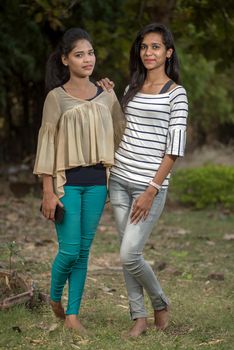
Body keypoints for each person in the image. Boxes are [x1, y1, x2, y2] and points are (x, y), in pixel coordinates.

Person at [33, 27, 125, 333]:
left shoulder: (107, 94)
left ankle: (72, 315)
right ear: (64, 60)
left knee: (85, 253)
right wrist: (48, 191)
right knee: (69, 251)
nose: (88, 59)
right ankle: (54, 297)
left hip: (98, 182)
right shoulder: (56, 98)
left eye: (91, 52)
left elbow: (119, 133)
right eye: (79, 54)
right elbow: (47, 143)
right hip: (67, 184)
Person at [101, 23, 188, 337]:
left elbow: (174, 148)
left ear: (168, 52)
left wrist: (151, 189)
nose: (148, 52)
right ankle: (138, 317)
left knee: (129, 254)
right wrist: (109, 94)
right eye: (144, 47)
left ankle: (160, 303)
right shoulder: (131, 87)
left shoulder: (176, 94)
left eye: (155, 47)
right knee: (127, 252)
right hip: (120, 180)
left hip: (148, 187)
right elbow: (123, 130)